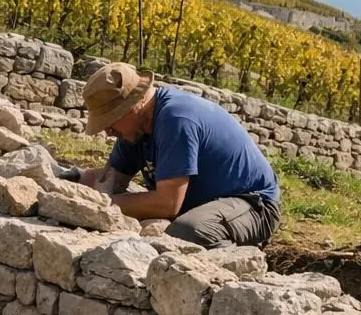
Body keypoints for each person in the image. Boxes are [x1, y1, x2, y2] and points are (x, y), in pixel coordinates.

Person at [76, 62, 280, 248]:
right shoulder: (134, 130)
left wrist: (103, 204)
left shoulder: (176, 120)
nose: (108, 131)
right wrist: (66, 179)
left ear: (134, 106)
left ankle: (238, 271)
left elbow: (168, 204)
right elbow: (112, 178)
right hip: (201, 203)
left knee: (185, 232)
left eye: (110, 121)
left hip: (252, 205)